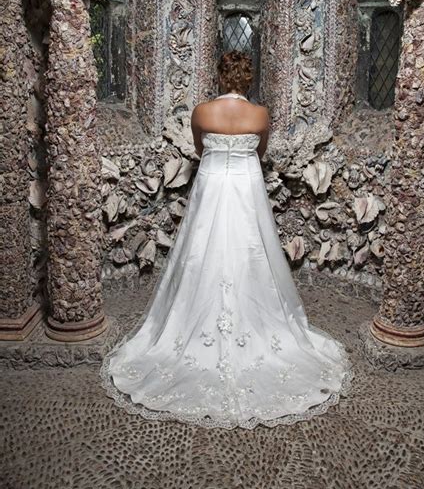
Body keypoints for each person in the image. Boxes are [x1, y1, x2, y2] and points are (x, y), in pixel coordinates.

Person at [100, 50, 354, 429]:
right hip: (246, 189)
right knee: (251, 252)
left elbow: (201, 150)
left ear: (220, 76)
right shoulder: (260, 114)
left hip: (213, 187)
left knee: (201, 253)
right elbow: (261, 151)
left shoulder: (202, 111)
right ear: (248, 79)